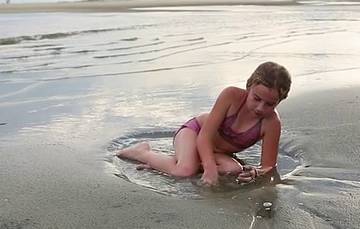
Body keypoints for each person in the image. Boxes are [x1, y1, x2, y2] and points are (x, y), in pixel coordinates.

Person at [116, 61, 292, 186]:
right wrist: (209, 169)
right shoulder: (231, 96)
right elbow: (204, 136)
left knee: (233, 169)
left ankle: (183, 162)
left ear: (280, 101)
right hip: (194, 133)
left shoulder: (272, 123)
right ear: (249, 86)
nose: (260, 107)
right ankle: (143, 153)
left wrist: (255, 172)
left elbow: (269, 166)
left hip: (216, 151)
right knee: (185, 171)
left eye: (270, 104)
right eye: (256, 98)